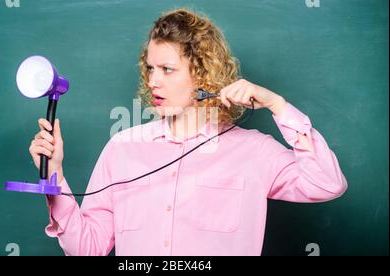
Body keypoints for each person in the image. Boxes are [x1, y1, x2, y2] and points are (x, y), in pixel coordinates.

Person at [29, 8, 347, 256]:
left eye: (167, 69)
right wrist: (54, 174)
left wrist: (277, 104)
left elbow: (327, 184)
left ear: (202, 74)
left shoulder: (254, 152)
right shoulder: (121, 148)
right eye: (150, 68)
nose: (154, 80)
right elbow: (87, 248)